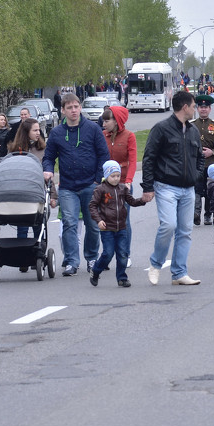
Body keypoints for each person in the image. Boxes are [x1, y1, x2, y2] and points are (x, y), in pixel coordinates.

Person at [42, 93, 110, 277]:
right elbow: (48, 157)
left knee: (93, 224)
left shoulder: (92, 129)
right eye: (69, 107)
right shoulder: (56, 133)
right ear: (62, 110)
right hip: (67, 187)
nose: (74, 110)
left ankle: (91, 257)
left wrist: (98, 179)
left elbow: (103, 155)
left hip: (91, 184)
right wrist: (47, 169)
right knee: (69, 223)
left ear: (80, 108)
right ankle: (72, 261)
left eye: (76, 106)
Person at [141, 90, 203, 286]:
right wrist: (148, 186)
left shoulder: (193, 131)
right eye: (193, 106)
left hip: (188, 189)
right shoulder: (161, 129)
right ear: (185, 107)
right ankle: (156, 264)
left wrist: (196, 175)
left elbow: (200, 158)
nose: (195, 109)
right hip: (166, 186)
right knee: (169, 225)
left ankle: (179, 273)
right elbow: (149, 158)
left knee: (185, 231)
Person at [88, 160, 146, 287]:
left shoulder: (122, 189)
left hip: (121, 227)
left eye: (118, 176)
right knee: (108, 253)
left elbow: (131, 201)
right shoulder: (100, 189)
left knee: (123, 253)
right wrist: (99, 220)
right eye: (112, 176)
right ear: (106, 175)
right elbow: (92, 206)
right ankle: (96, 271)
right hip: (107, 227)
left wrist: (142, 200)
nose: (115, 179)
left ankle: (122, 277)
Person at [102, 105, 137, 272]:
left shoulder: (129, 136)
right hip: (106, 185)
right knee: (105, 221)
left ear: (117, 121)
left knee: (123, 221)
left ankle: (125, 254)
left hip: (123, 184)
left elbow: (132, 161)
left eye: (107, 120)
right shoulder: (103, 136)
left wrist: (128, 182)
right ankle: (107, 254)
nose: (104, 123)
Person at [191, 94, 214, 226]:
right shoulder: (191, 125)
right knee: (196, 189)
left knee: (210, 190)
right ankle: (196, 213)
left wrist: (212, 151)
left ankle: (208, 214)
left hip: (212, 164)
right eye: (201, 107)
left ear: (210, 109)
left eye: (206, 107)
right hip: (196, 163)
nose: (203, 110)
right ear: (197, 109)